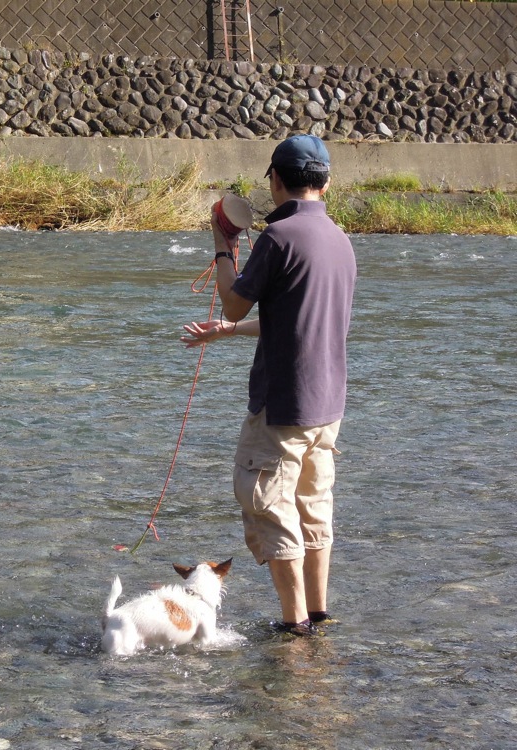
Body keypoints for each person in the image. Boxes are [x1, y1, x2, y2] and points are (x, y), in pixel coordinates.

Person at [181, 134, 357, 636]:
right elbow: (304, 317)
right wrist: (231, 332)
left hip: (282, 406)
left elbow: (235, 300)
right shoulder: (341, 240)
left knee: (270, 507)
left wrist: (222, 247)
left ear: (276, 180)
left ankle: (293, 625)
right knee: (313, 508)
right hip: (328, 409)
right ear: (325, 182)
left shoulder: (278, 239)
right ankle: (319, 616)